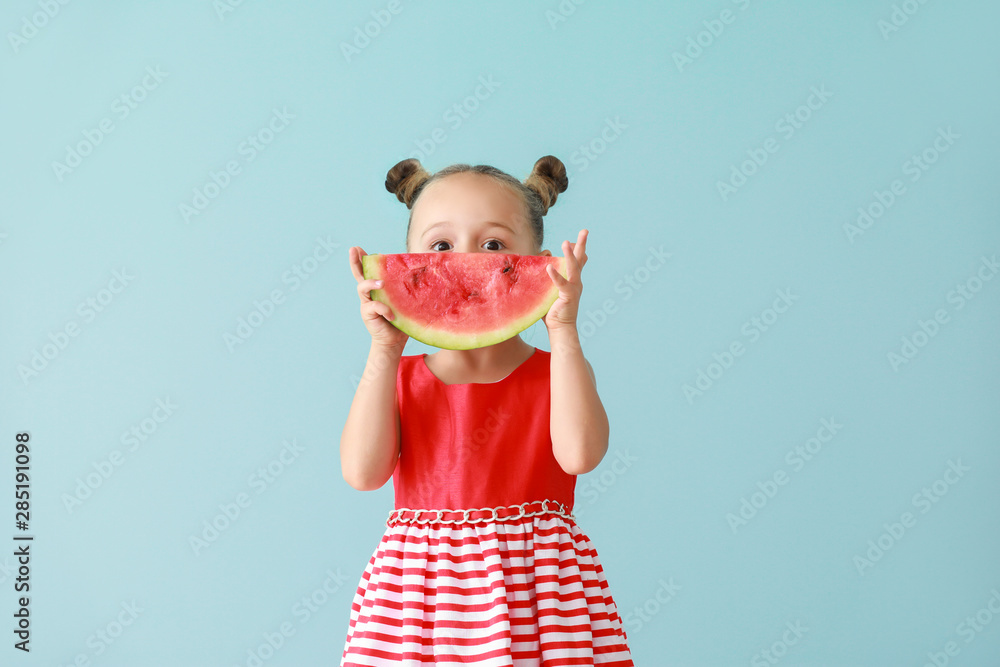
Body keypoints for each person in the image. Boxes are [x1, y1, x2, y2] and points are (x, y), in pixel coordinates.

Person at [339, 155, 634, 665]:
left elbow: (581, 456)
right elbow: (363, 474)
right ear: (407, 263)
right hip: (422, 600)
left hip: (539, 597)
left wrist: (563, 331)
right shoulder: (400, 377)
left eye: (493, 245)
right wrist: (384, 351)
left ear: (538, 262)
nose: (465, 263)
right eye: (440, 246)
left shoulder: (554, 373)